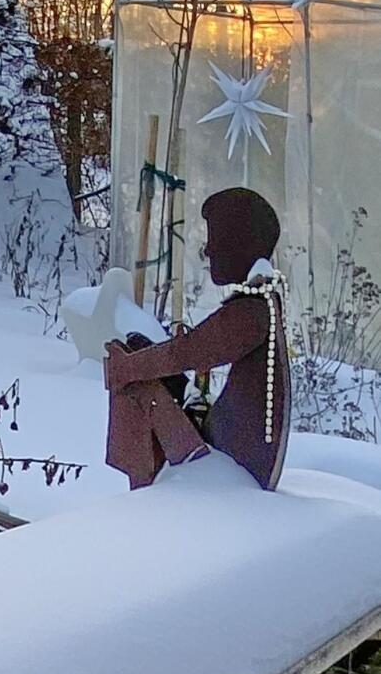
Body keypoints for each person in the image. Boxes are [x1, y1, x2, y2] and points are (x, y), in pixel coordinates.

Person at [104, 187, 290, 491]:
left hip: (241, 464)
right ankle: (149, 486)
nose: (208, 250)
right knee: (143, 366)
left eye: (216, 239)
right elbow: (195, 350)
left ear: (239, 243)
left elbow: (190, 353)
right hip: (231, 443)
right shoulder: (260, 303)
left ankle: (144, 491)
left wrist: (129, 368)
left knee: (136, 386)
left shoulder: (252, 310)